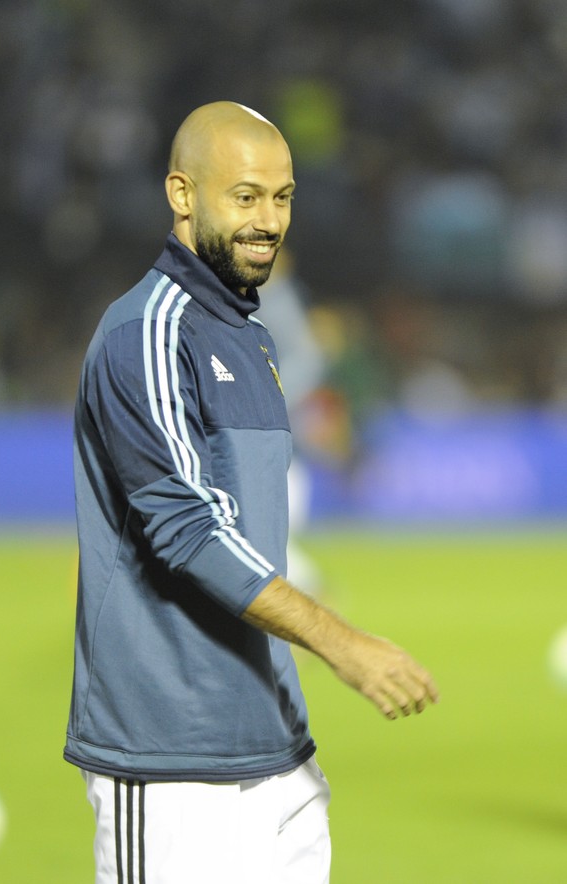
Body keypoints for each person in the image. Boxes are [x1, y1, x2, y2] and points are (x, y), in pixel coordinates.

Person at [64, 101, 439, 884]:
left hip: (276, 748)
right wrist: (344, 643)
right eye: (244, 196)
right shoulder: (149, 332)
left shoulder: (251, 336)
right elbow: (187, 528)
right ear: (182, 193)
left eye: (283, 196)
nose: (268, 219)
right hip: (171, 761)